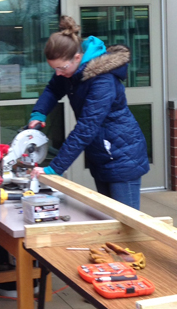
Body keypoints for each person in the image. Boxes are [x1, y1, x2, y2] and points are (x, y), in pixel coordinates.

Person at [29, 15, 149, 209]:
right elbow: (53, 88)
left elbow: (86, 127)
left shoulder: (102, 81)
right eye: (55, 69)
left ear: (78, 57)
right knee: (107, 217)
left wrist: (55, 168)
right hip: (101, 154)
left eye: (61, 68)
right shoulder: (71, 70)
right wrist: (39, 113)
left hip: (122, 156)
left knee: (127, 224)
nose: (58, 73)